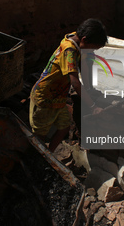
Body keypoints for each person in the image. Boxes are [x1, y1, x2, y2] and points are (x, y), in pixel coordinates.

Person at [29, 18, 107, 152]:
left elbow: (84, 64)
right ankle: (38, 160)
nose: (92, 51)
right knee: (40, 135)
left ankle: (49, 155)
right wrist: (93, 106)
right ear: (84, 39)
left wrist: (89, 88)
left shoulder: (76, 39)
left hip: (58, 96)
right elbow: (75, 81)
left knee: (64, 128)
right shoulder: (69, 51)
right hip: (45, 96)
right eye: (92, 48)